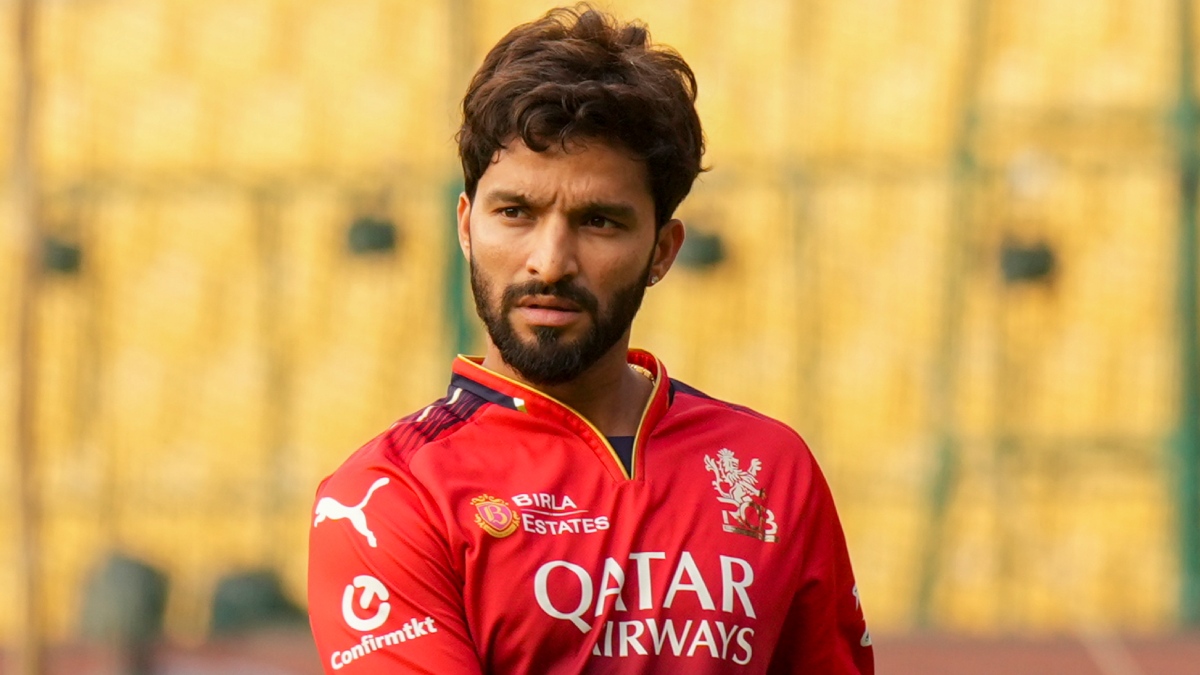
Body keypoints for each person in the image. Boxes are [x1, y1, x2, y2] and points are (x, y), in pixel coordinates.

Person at [307, 5, 874, 673]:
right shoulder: (390, 494)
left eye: (599, 221)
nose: (549, 263)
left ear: (662, 250)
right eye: (514, 212)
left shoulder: (770, 469)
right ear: (465, 226)